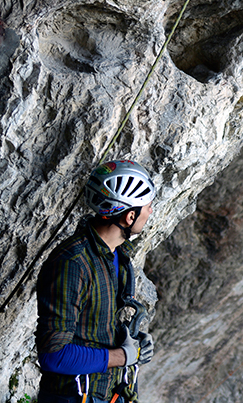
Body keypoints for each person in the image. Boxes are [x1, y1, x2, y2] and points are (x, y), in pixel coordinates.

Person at [35, 160, 157, 403]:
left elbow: (98, 326)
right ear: (129, 216)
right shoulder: (73, 263)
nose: (150, 212)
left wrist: (131, 339)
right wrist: (123, 356)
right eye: (147, 207)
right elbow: (53, 355)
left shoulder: (118, 257)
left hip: (105, 394)